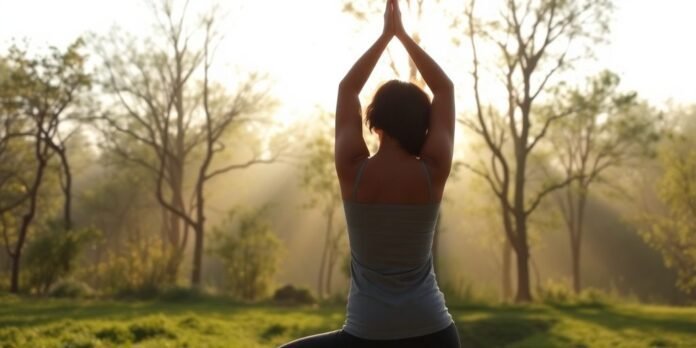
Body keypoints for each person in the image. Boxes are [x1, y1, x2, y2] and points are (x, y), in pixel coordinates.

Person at [280, 0, 458, 346]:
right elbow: (445, 90)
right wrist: (404, 37)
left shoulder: (353, 171)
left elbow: (347, 90)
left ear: (374, 122)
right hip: (435, 332)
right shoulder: (432, 172)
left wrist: (384, 37)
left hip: (367, 335)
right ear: (424, 127)